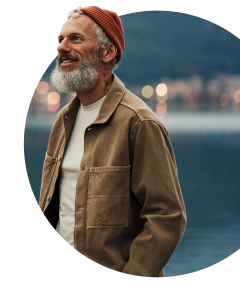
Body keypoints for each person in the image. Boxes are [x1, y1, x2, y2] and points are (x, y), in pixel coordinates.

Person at [38, 5, 187, 278]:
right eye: (60, 39)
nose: (62, 47)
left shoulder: (140, 123)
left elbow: (167, 217)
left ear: (108, 52)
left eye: (76, 39)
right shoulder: (62, 121)